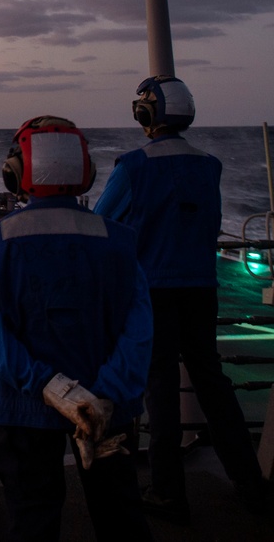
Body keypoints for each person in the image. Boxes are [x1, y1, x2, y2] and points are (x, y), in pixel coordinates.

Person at [0, 115, 154, 542]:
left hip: (27, 408)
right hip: (108, 410)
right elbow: (139, 326)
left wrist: (50, 387)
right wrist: (104, 394)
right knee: (121, 516)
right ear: (86, 172)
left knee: (32, 517)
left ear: (16, 174)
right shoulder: (120, 240)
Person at [94, 75, 267, 522]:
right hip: (201, 288)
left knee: (160, 389)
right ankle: (251, 486)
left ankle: (168, 491)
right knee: (214, 384)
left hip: (154, 291)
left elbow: (101, 222)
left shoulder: (134, 166)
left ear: (146, 115)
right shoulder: (210, 164)